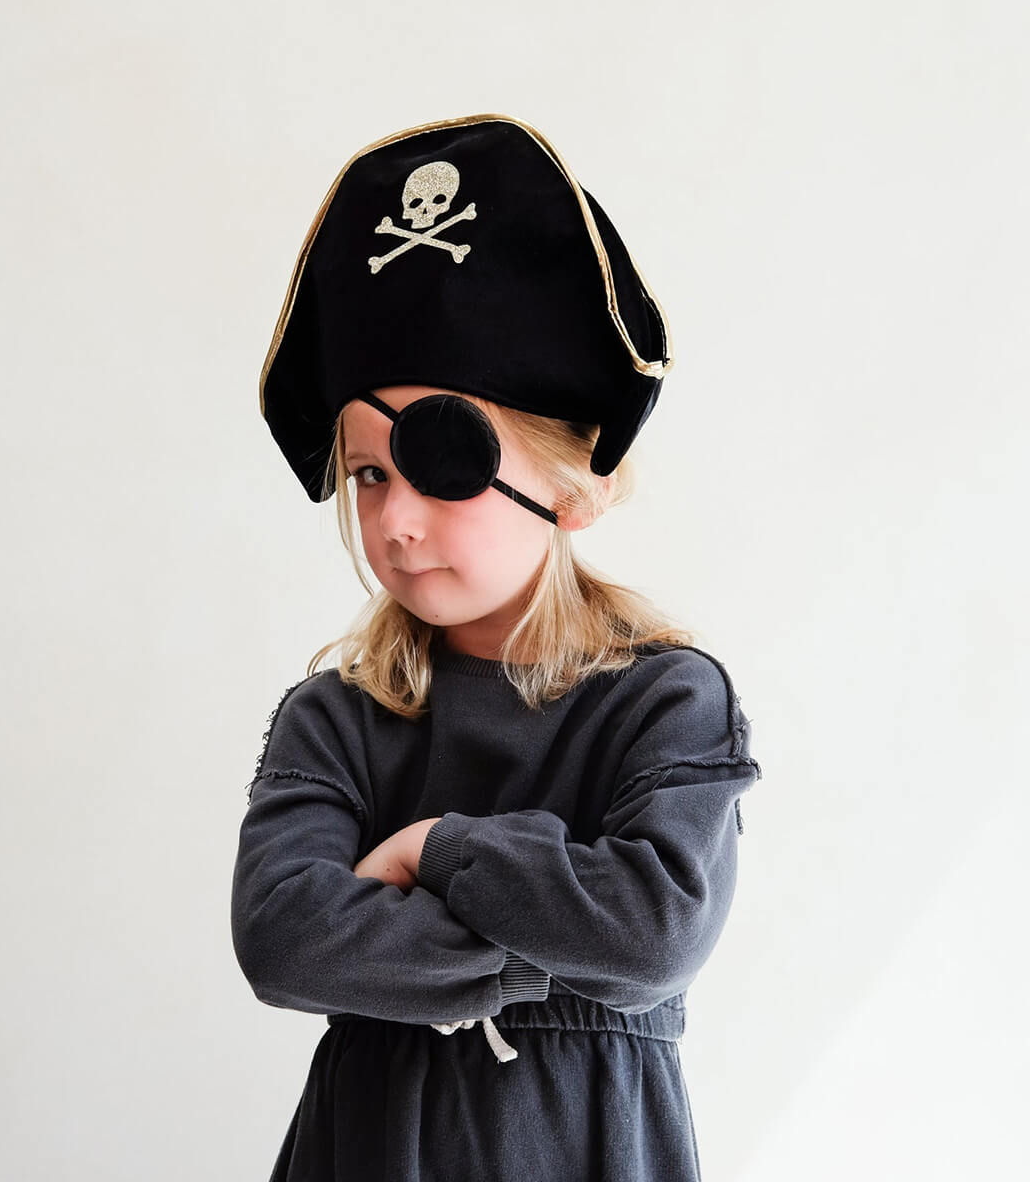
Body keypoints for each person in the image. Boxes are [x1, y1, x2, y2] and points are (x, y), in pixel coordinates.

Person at [231, 113, 761, 1181]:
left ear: (571, 487)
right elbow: (285, 940)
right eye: (369, 473)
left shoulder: (666, 702)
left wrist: (436, 851)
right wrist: (553, 948)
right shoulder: (337, 717)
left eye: (443, 467)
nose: (395, 521)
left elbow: (652, 934)